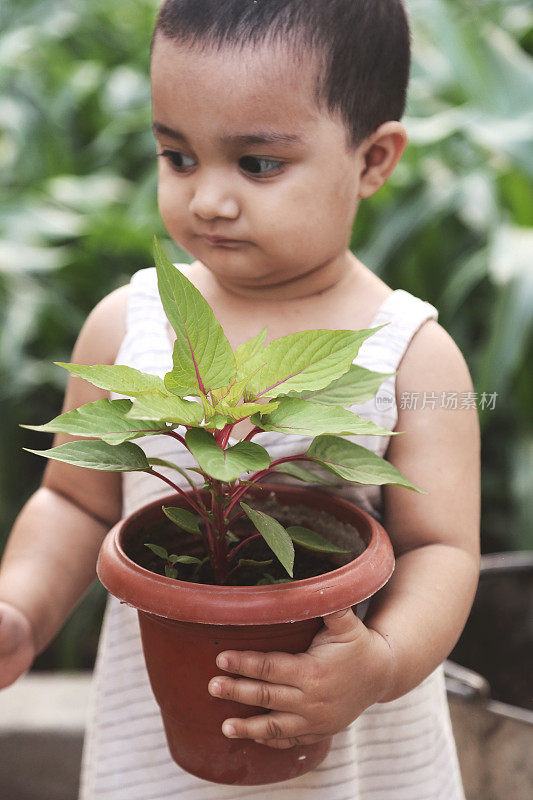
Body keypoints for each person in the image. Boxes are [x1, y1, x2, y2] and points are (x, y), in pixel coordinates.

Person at [0, 1, 480, 798]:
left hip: (352, 736)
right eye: (176, 155)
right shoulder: (129, 323)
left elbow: (442, 550)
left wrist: (381, 662)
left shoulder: (413, 355)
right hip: (165, 737)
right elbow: (75, 503)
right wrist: (19, 607)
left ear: (372, 159)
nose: (207, 200)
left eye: (256, 164)